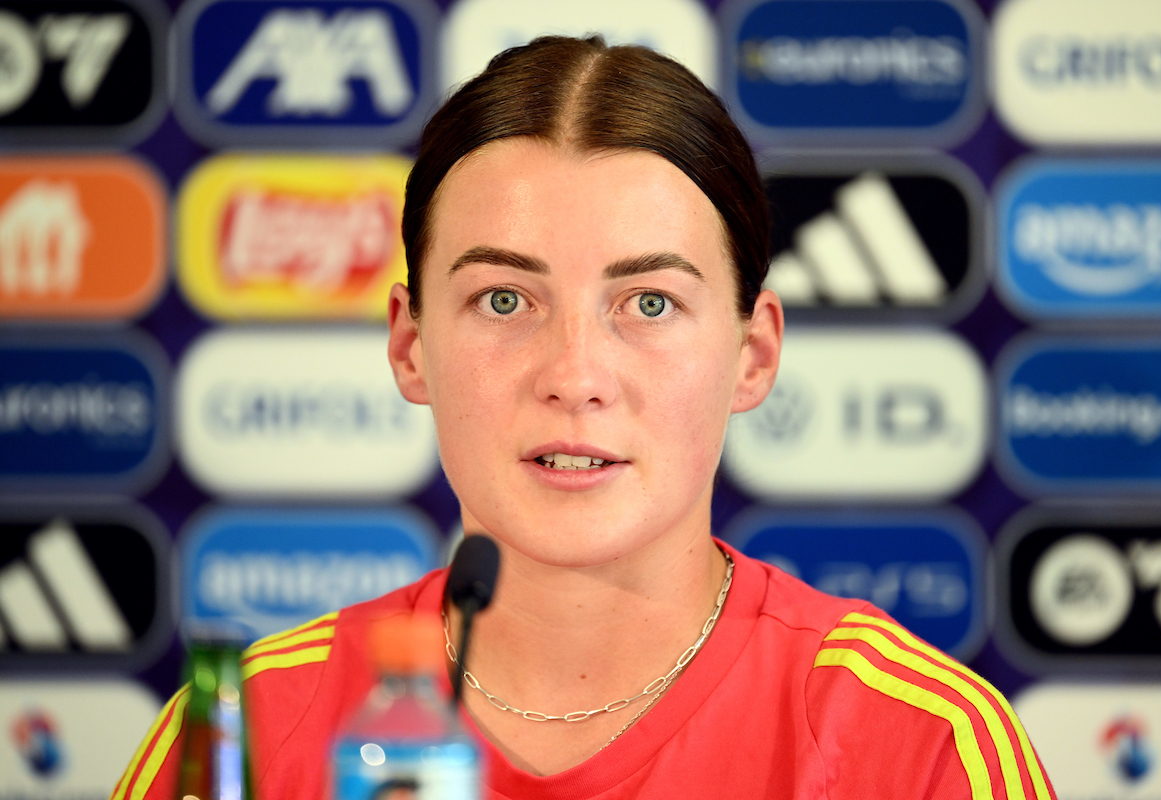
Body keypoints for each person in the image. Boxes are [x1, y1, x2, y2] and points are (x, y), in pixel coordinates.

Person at [113, 36, 1056, 800]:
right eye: (503, 300)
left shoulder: (922, 742)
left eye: (648, 303)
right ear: (409, 345)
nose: (574, 377)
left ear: (753, 354)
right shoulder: (242, 728)